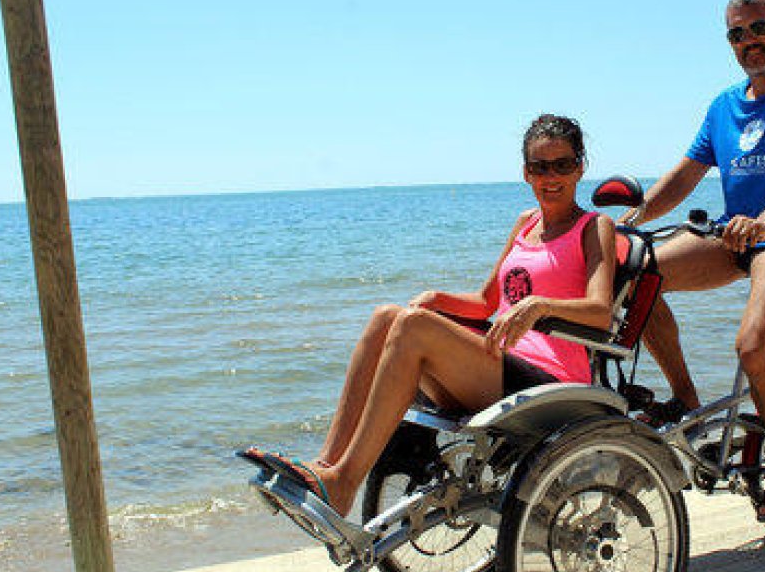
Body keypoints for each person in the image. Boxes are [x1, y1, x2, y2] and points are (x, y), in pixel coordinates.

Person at [242, 114, 618, 519]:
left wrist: (541, 304)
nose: (551, 176)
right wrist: (438, 298)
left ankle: (344, 482)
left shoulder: (594, 227)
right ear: (526, 173)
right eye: (540, 167)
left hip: (550, 382)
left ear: (581, 166)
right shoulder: (525, 224)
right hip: (499, 365)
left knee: (412, 328)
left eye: (562, 164)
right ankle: (327, 468)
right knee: (387, 315)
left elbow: (600, 312)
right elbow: (487, 302)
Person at [621, 0, 765, 524]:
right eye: (738, 34)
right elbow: (685, 174)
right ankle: (687, 406)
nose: (750, 40)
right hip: (736, 237)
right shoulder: (723, 105)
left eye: (759, 28)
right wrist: (629, 222)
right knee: (635, 275)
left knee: (751, 345)